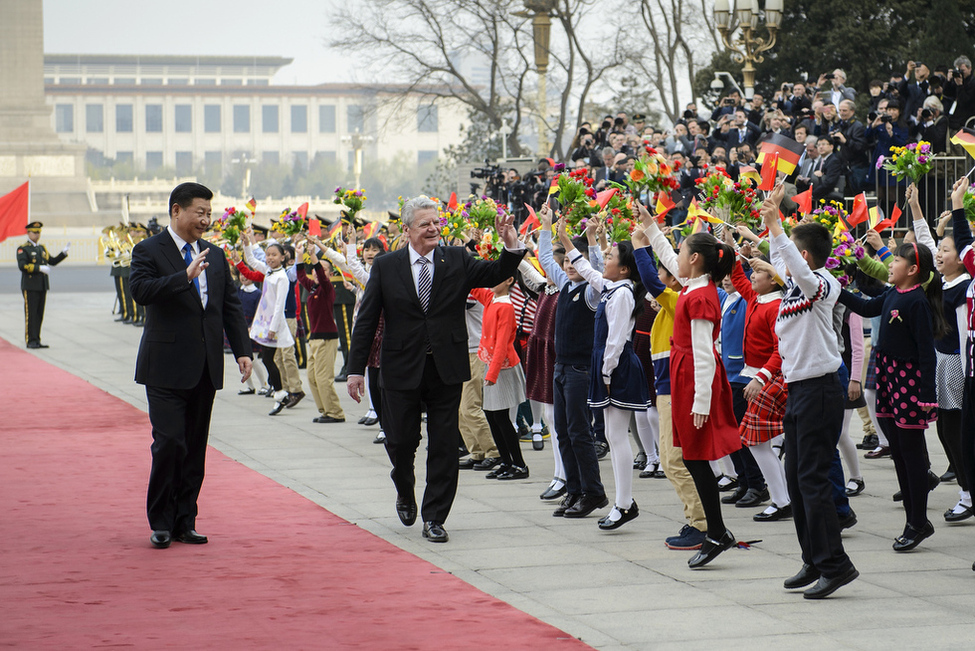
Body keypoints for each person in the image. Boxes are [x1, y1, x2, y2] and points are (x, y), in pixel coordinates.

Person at [346, 196, 525, 544]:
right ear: (408, 229)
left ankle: (435, 516)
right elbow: (366, 320)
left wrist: (510, 244)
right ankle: (405, 488)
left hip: (446, 366)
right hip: (400, 368)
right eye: (425, 224)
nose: (433, 229)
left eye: (436, 223)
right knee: (400, 442)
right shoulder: (386, 266)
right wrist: (356, 369)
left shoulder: (456, 258)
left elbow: (496, 273)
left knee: (443, 444)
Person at [129, 182, 252, 549]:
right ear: (176, 211)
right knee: (169, 443)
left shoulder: (214, 254)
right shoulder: (148, 249)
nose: (206, 220)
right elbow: (141, 291)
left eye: (209, 214)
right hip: (165, 367)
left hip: (204, 367)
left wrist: (242, 350)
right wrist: (183, 277)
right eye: (199, 212)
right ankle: (161, 522)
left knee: (195, 448)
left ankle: (186, 520)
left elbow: (228, 305)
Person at [761, 184, 858, 599]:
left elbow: (796, 266)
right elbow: (782, 258)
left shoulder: (823, 284)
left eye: (790, 250)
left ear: (804, 255)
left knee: (813, 478)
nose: (783, 258)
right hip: (798, 390)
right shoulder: (792, 289)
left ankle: (835, 565)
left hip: (821, 389)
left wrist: (777, 226)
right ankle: (813, 559)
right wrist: (771, 225)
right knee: (796, 478)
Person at [643, 223, 742, 568]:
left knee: (696, 457)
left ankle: (716, 532)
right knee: (692, 457)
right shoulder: (694, 284)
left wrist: (701, 402)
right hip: (684, 375)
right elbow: (669, 255)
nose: (676, 258)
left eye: (682, 252)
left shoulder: (700, 295)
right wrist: (649, 226)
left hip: (693, 379)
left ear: (696, 259)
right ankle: (717, 531)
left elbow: (703, 354)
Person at [839, 237, 947, 551]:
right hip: (889, 378)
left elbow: (927, 352)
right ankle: (915, 514)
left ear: (913, 269)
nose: (891, 264)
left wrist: (928, 395)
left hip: (909, 384)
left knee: (911, 454)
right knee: (898, 451)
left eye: (896, 260)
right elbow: (865, 303)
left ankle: (918, 521)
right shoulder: (893, 294)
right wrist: (841, 286)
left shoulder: (917, 302)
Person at [557, 221, 651, 531]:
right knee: (612, 435)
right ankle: (623, 502)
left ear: (624, 269)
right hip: (608, 364)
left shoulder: (622, 294)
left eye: (610, 256)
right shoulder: (614, 287)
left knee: (617, 436)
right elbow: (588, 270)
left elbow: (616, 340)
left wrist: (607, 372)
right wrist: (569, 241)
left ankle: (624, 503)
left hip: (616, 365)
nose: (605, 259)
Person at [472, 278, 530, 480]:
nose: (491, 282)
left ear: (509, 281)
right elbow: (475, 285)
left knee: (502, 418)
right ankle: (506, 461)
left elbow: (503, 344)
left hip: (503, 368)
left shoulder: (505, 306)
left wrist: (492, 373)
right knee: (491, 415)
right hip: (493, 365)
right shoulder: (491, 298)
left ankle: (519, 465)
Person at [241, 233, 294, 415]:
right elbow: (252, 261)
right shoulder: (270, 271)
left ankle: (280, 393)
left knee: (268, 359)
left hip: (273, 325)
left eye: (274, 255)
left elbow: (280, 305)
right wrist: (247, 244)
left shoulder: (282, 277)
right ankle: (280, 393)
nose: (270, 258)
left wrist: (273, 328)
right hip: (263, 322)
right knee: (267, 359)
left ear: (282, 257)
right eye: (268, 254)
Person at [295, 242, 345, 424]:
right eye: (316, 270)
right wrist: (300, 255)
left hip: (326, 338)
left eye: (322, 270)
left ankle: (336, 413)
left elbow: (323, 278)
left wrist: (314, 257)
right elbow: (301, 276)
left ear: (330, 275)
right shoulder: (313, 288)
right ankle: (325, 410)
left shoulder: (327, 289)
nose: (317, 273)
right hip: (314, 338)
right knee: (312, 378)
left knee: (324, 378)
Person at [17, 221, 68, 349]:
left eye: (38, 232)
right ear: (28, 233)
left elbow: (52, 261)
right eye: (34, 232)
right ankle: (30, 340)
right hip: (30, 286)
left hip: (41, 285)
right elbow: (22, 266)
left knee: (39, 314)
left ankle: (37, 339)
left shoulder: (42, 248)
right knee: (31, 314)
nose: (37, 234)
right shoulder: (23, 249)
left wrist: (64, 253)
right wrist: (39, 268)